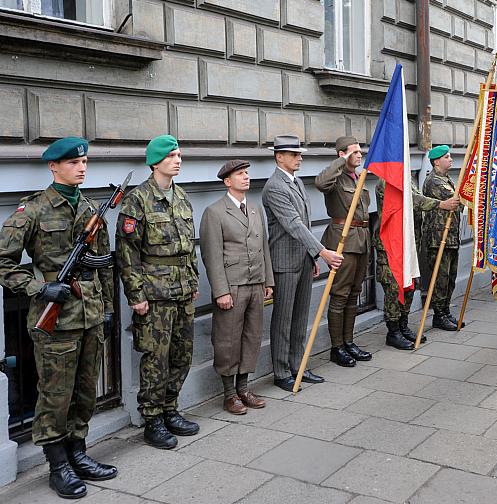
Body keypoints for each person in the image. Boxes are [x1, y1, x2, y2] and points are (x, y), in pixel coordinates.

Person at [0, 137, 117, 498]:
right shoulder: (32, 210)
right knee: (55, 396)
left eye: (84, 162)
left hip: (91, 315)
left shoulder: (91, 209)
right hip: (57, 321)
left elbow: (103, 266)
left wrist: (108, 308)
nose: (82, 167)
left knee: (85, 392)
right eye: (73, 163)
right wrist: (39, 288)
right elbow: (3, 263)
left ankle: (79, 453)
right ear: (54, 167)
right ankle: (58, 465)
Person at [116, 135, 201, 449]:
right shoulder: (137, 200)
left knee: (182, 354)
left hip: (181, 290)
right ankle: (152, 420)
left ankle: (170, 408)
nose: (178, 160)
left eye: (179, 155)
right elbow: (127, 253)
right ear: (155, 161)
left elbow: (190, 248)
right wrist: (136, 295)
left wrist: (192, 283)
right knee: (156, 358)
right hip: (155, 293)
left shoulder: (181, 197)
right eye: (172, 156)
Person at [262, 135, 343, 390]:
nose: (300, 157)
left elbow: (304, 224)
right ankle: (282, 371)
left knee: (300, 318)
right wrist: (322, 252)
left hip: (302, 259)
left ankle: (298, 365)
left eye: (299, 154)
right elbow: (293, 225)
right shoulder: (275, 186)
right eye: (294, 154)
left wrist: (311, 256)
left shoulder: (294, 182)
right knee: (283, 319)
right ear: (279, 157)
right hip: (284, 262)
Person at [199, 160, 274, 415]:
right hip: (232, 286)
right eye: (240, 174)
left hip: (255, 283)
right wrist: (221, 291)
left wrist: (268, 281)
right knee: (228, 340)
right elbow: (212, 255)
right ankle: (229, 394)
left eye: (247, 173)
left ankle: (244, 388)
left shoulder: (254, 209)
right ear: (227, 181)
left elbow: (264, 247)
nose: (246, 177)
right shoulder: (215, 212)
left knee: (252, 337)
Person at [375, 177, 460, 348]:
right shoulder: (388, 180)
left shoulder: (408, 178)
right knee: (393, 288)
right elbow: (409, 200)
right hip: (392, 244)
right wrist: (440, 204)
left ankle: (403, 326)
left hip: (409, 244)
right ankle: (393, 332)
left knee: (409, 286)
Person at [315, 136, 373, 367]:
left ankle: (349, 342)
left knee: (354, 293)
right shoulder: (336, 178)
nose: (359, 155)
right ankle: (336, 347)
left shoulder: (358, 177)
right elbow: (320, 183)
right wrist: (341, 162)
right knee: (340, 294)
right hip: (343, 240)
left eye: (360, 152)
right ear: (342, 154)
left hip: (361, 239)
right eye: (355, 152)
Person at [423, 145, 465, 331]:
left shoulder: (446, 178)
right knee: (440, 279)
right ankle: (439, 315)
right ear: (436, 161)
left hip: (451, 236)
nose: (450, 159)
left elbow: (458, 204)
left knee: (450, 278)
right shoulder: (434, 181)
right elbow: (455, 201)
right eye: (447, 157)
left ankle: (446, 311)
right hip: (438, 237)